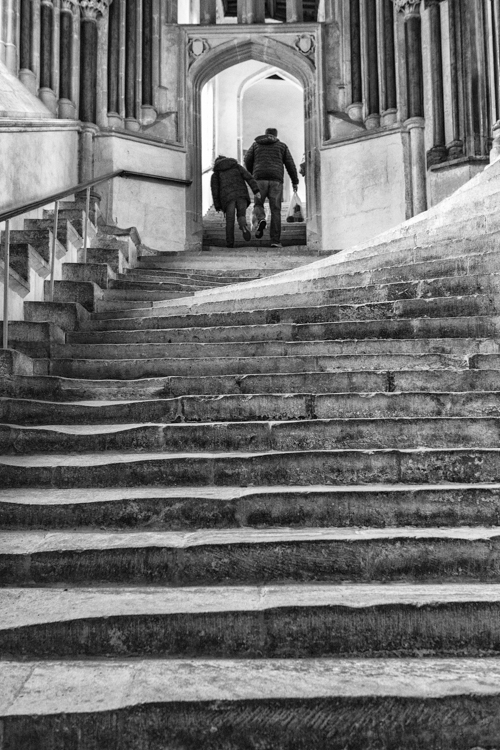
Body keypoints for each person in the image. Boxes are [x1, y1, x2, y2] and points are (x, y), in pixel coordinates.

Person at [244, 127, 299, 248]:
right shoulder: (282, 146)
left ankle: (261, 220)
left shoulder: (255, 145)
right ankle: (275, 240)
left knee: (258, 204)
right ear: (276, 135)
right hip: (276, 181)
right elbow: (290, 164)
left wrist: (252, 173)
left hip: (259, 180)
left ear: (265, 134)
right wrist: (295, 181)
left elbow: (246, 159)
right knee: (275, 210)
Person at [210, 155, 261, 248]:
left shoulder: (216, 173)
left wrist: (217, 205)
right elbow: (249, 177)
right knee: (241, 215)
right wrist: (256, 190)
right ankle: (243, 226)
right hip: (241, 195)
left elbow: (215, 191)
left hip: (227, 198)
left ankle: (230, 243)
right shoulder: (236, 166)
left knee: (230, 220)